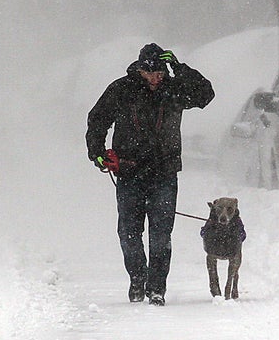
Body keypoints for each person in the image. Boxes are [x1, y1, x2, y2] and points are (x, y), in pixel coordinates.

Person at [86, 43, 214, 306]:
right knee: (129, 233)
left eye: (161, 73)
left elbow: (205, 95)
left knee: (161, 235)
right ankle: (137, 278)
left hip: (164, 174)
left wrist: (180, 68)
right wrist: (97, 152)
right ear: (141, 70)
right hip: (129, 172)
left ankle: (157, 288)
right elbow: (98, 119)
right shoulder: (121, 90)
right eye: (152, 73)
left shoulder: (175, 90)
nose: (157, 78)